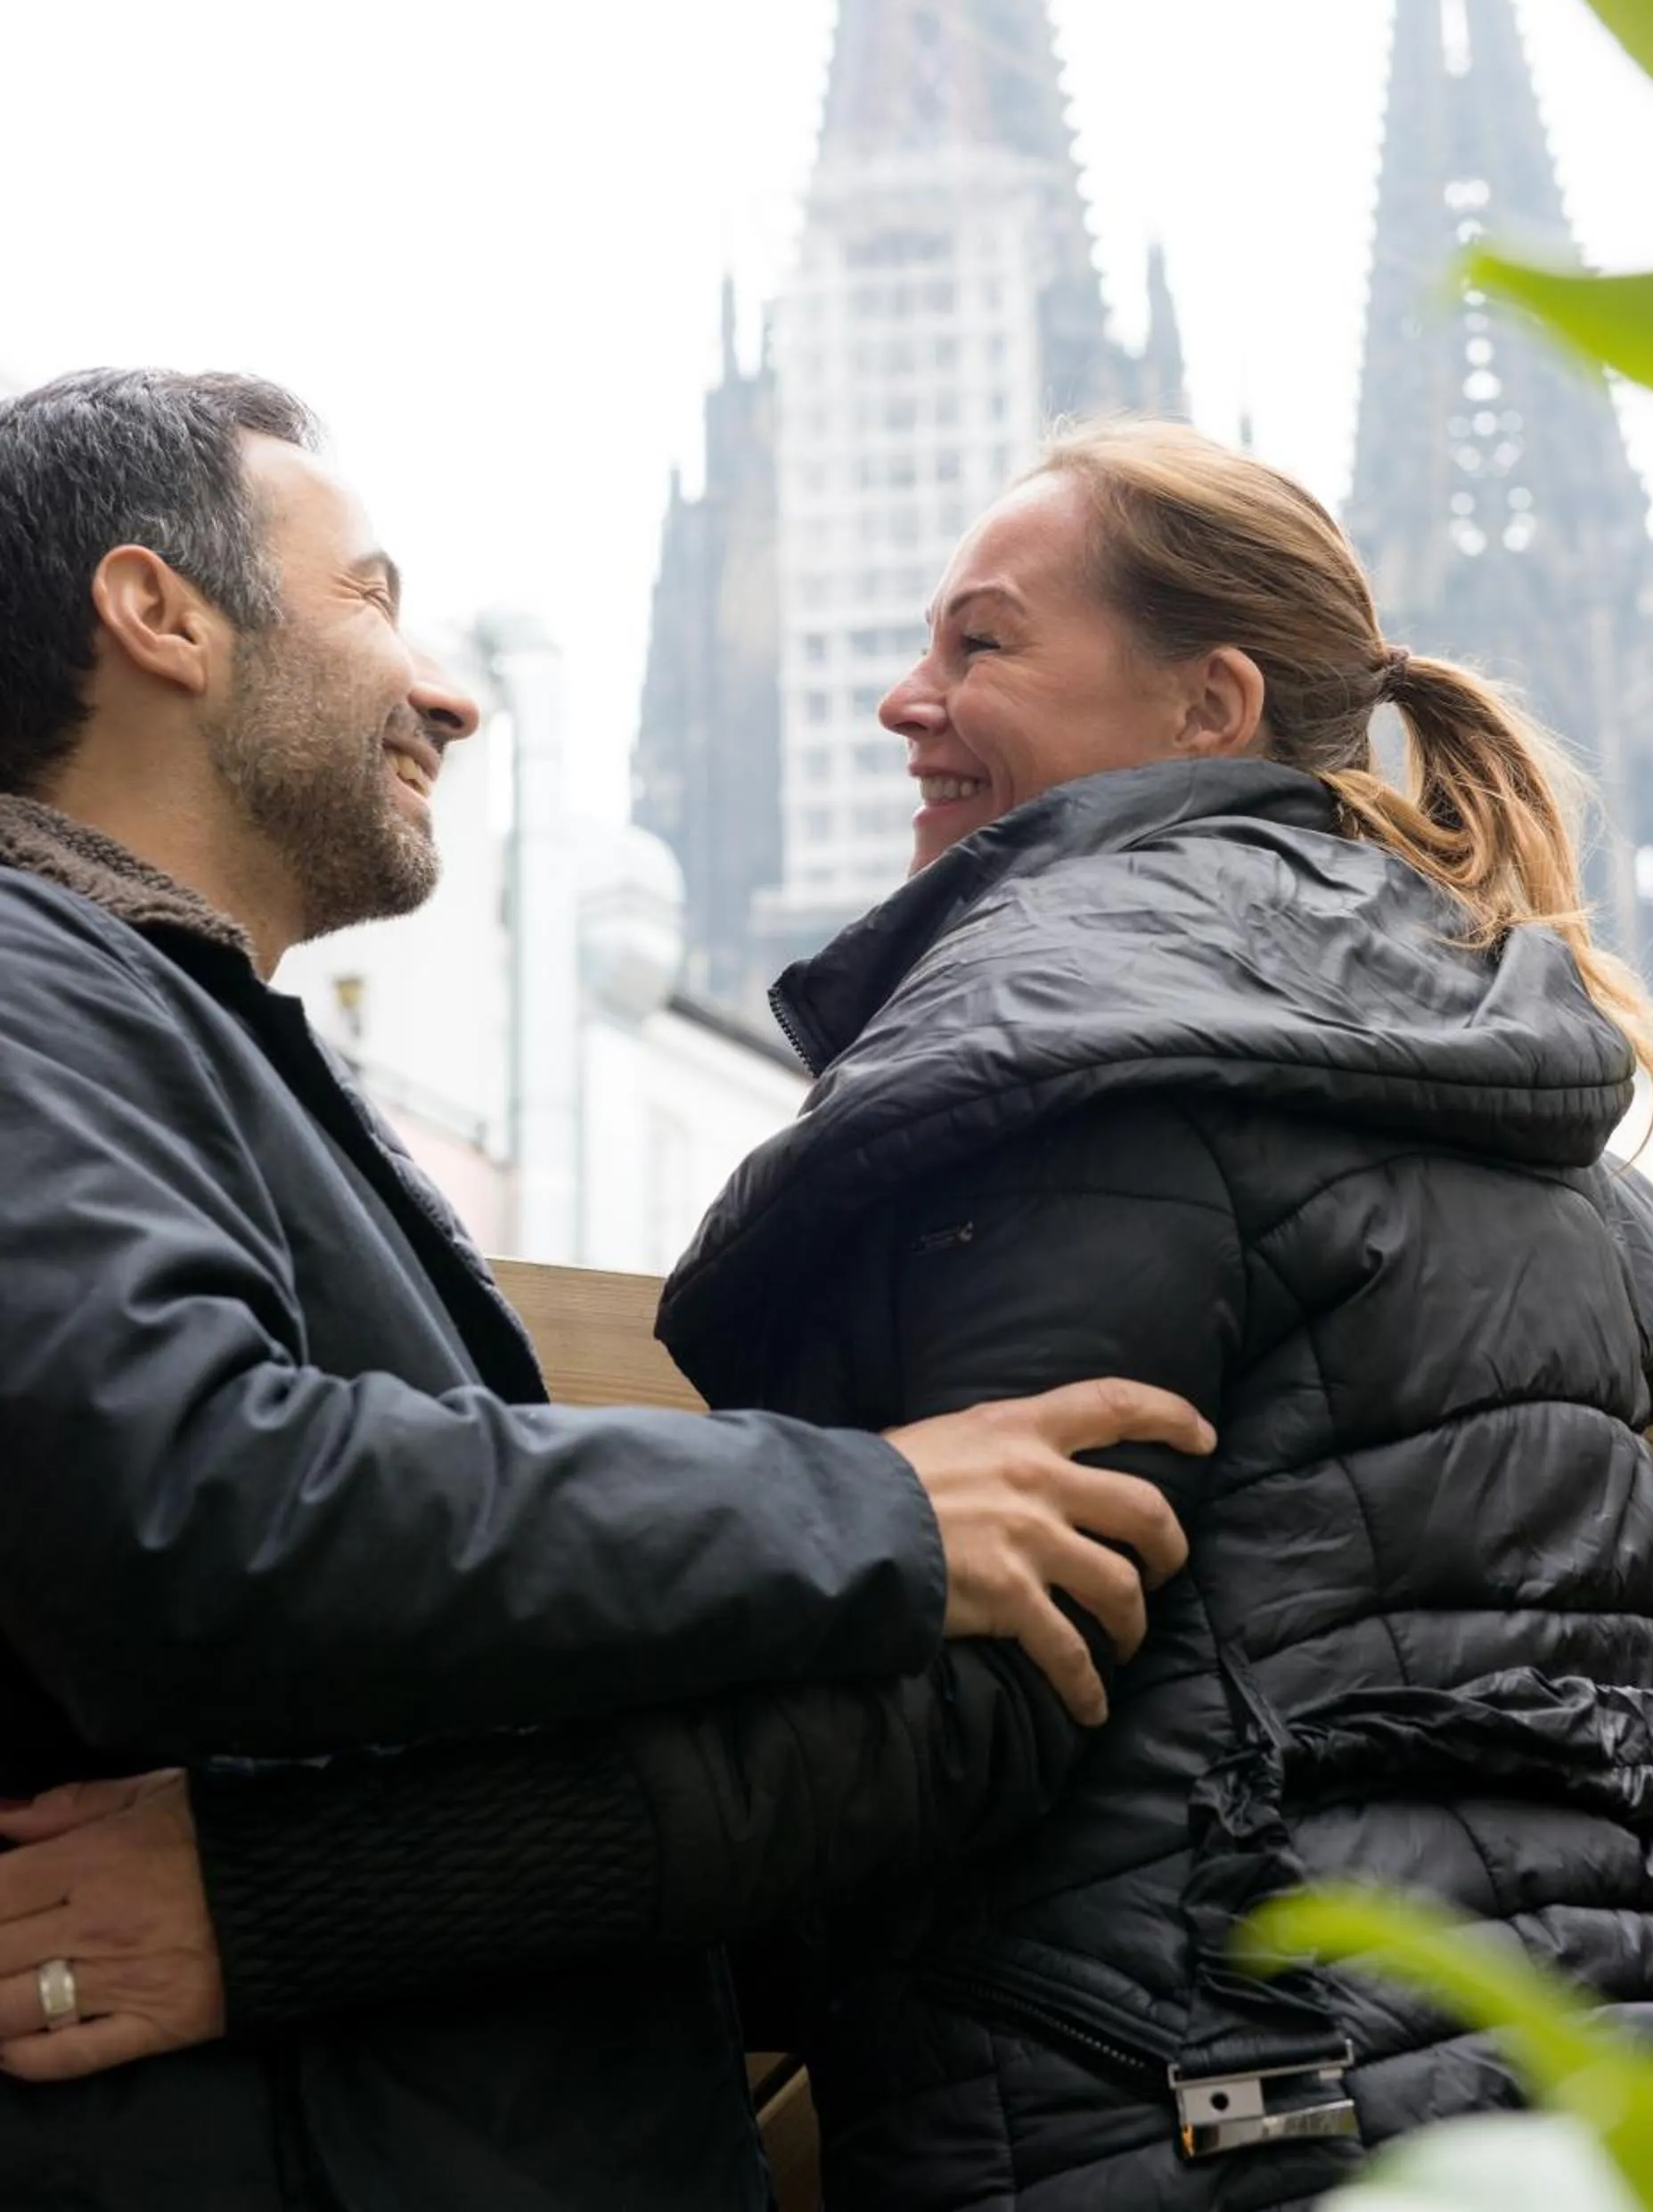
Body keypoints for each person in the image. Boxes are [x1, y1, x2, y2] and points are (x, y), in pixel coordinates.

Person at [2, 418, 1653, 2203]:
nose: (898, 702)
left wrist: (290, 1901)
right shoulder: (1469, 1065)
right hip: (1626, 2089)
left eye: (978, 643)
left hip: (1230, 2121)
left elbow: (960, 1711)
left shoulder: (1096, 1039)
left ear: (1204, 706)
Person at [0, 371, 1217, 2212]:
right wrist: (872, 1504)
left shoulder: (163, 1025)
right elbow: (185, 1499)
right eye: (371, 598)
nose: (448, 688)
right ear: (158, 613)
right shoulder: (29, 988)